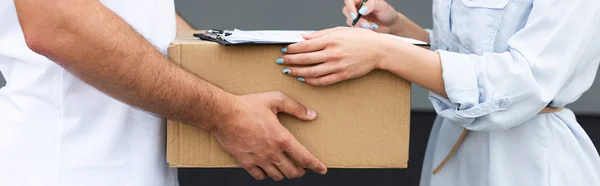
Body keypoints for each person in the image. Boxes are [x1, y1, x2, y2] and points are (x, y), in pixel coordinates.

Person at [0, 1, 327, 185]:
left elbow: (140, 21)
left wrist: (235, 74)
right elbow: (58, 25)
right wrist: (225, 113)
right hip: (63, 170)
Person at [277, 0, 600, 185]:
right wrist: (400, 31)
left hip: (527, 161)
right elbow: (472, 55)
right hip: (451, 151)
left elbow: (521, 82)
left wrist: (383, 52)